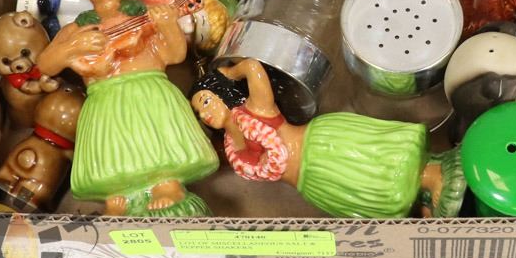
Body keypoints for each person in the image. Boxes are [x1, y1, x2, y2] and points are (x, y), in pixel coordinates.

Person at [37, 0, 218, 217]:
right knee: (113, 145)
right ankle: (117, 195)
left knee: (156, 139)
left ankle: (167, 185)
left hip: (148, 88)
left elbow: (174, 55)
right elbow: (45, 64)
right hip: (104, 96)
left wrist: (168, 24)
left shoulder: (146, 17)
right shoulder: (75, 29)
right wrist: (72, 48)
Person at [190, 59, 465, 219]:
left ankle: (433, 175)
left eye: (206, 101)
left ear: (222, 93)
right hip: (311, 181)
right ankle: (422, 196)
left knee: (372, 164)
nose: (205, 113)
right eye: (199, 112)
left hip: (320, 147)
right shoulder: (231, 146)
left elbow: (252, 67)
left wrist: (228, 72)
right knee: (362, 188)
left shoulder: (254, 109)